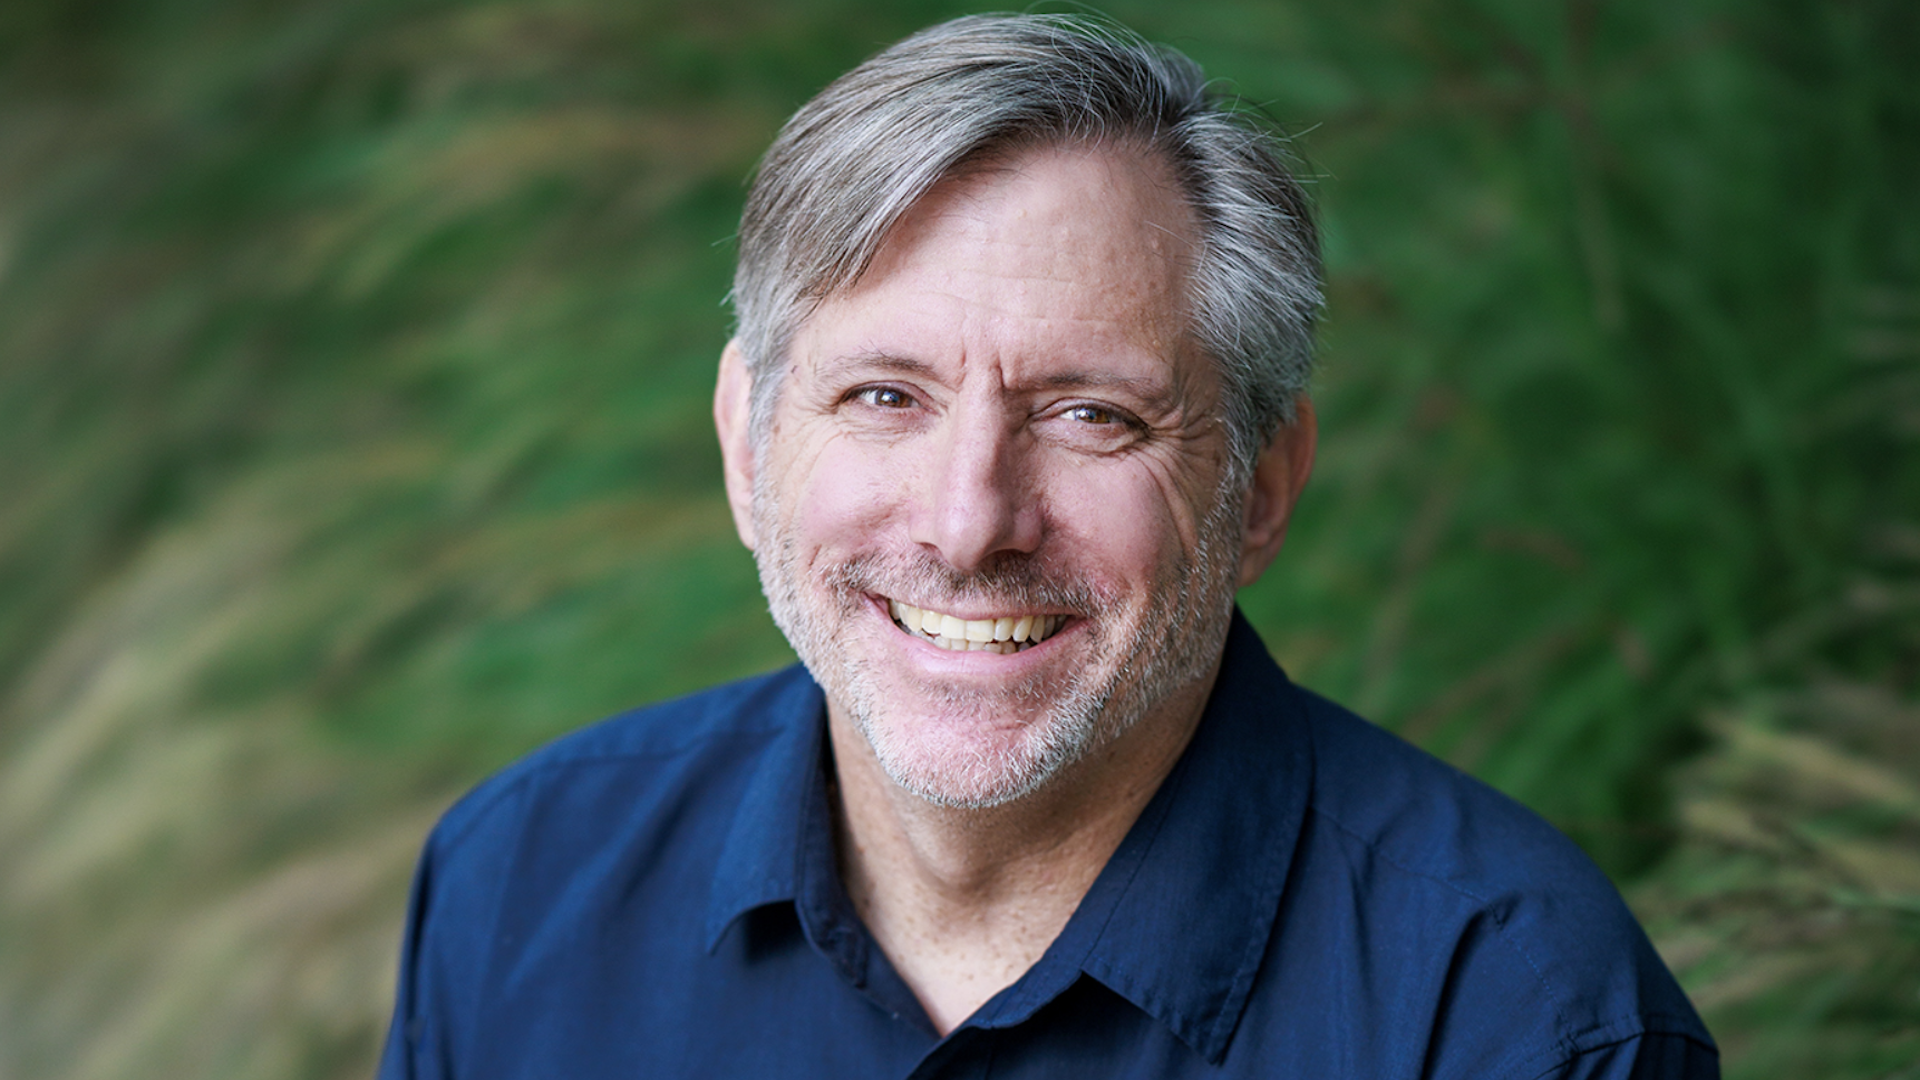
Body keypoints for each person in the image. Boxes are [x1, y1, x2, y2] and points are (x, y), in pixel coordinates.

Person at [377, 14, 1717, 1078]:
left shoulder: (1516, 1018)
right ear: (746, 443)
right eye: (885, 397)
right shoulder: (520, 886)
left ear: (1259, 486)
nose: (969, 525)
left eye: (1091, 414)